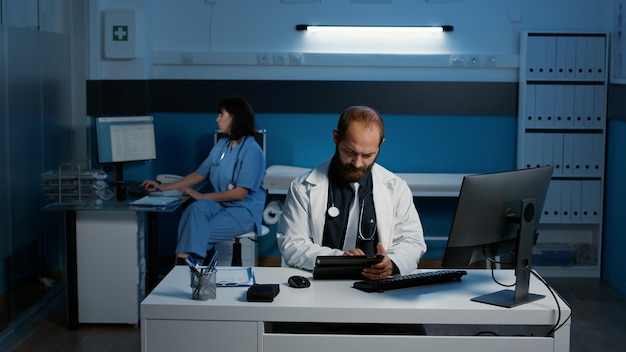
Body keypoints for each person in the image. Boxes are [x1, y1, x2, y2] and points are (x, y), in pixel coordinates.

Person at [276, 105, 426, 281]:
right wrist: (340, 260)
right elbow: (292, 244)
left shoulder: (396, 187)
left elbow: (413, 241)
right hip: (321, 283)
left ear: (381, 144)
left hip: (377, 284)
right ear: (336, 137)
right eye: (350, 152)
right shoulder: (303, 187)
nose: (357, 163)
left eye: (368, 155)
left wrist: (392, 263)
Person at [142, 96, 266, 263]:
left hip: (243, 211)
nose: (217, 119)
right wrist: (163, 187)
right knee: (194, 209)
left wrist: (203, 196)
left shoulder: (252, 151)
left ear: (235, 117)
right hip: (220, 205)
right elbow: (199, 174)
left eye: (221, 115)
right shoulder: (222, 145)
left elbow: (239, 193)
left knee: (198, 232)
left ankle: (185, 269)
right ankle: (187, 266)